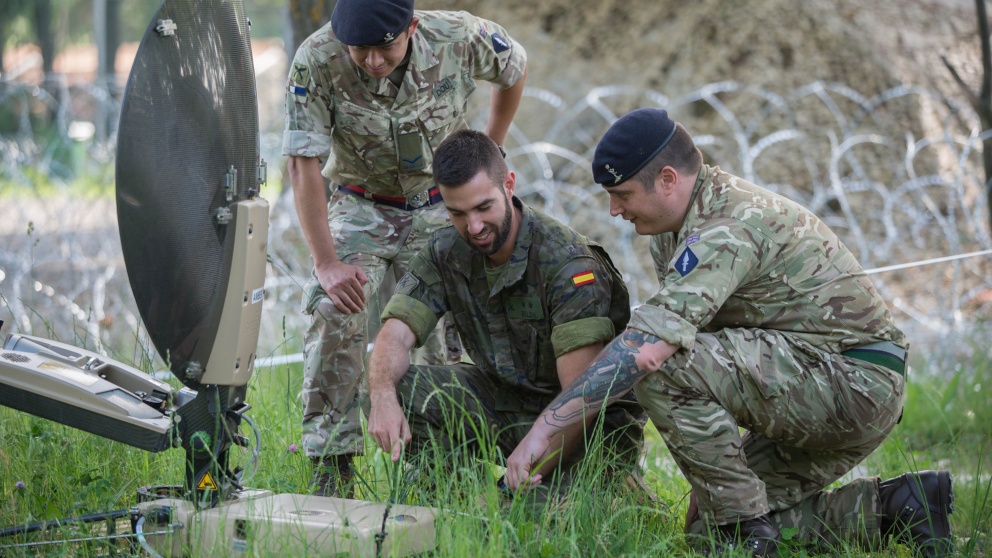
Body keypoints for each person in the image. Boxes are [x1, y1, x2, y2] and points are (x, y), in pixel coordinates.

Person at [504, 108, 954, 557]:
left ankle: (748, 539)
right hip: (818, 380)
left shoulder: (725, 228)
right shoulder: (673, 228)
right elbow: (724, 356)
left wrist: (544, 429)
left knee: (658, 365)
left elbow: (649, 351)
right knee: (707, 531)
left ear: (667, 180)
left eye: (622, 194)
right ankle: (900, 507)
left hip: (855, 382)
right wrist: (716, 478)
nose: (613, 209)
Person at [282, 0, 528, 496]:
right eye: (360, 50)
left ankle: (437, 462)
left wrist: (489, 154)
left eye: (385, 47)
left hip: (441, 201)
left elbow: (514, 69)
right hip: (361, 202)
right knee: (334, 306)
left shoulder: (459, 35)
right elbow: (303, 163)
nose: (372, 61)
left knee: (443, 325)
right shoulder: (316, 58)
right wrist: (327, 262)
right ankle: (333, 462)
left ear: (411, 27)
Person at [366, 129, 645, 499]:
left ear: (509, 184)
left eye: (484, 207)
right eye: (457, 213)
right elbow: (395, 334)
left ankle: (620, 491)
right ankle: (455, 500)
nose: (474, 227)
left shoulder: (567, 263)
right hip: (507, 404)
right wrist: (383, 397)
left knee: (537, 527)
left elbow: (581, 399)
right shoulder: (446, 250)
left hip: (584, 427)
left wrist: (507, 496)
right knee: (396, 387)